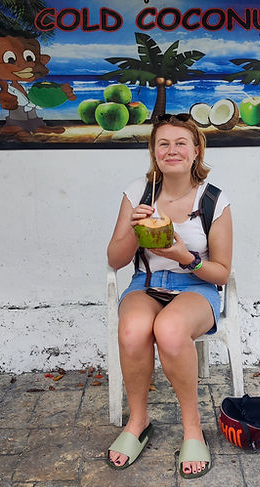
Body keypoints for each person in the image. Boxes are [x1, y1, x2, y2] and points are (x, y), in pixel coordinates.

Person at [106, 114, 232, 479]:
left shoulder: (214, 200)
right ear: (154, 151)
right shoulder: (137, 193)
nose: (172, 150)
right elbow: (115, 259)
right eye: (163, 143)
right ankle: (138, 421)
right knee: (132, 330)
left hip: (197, 287)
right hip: (146, 282)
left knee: (171, 330)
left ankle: (192, 428)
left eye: (181, 143)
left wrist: (186, 258)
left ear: (196, 150)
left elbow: (221, 271)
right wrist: (134, 229)